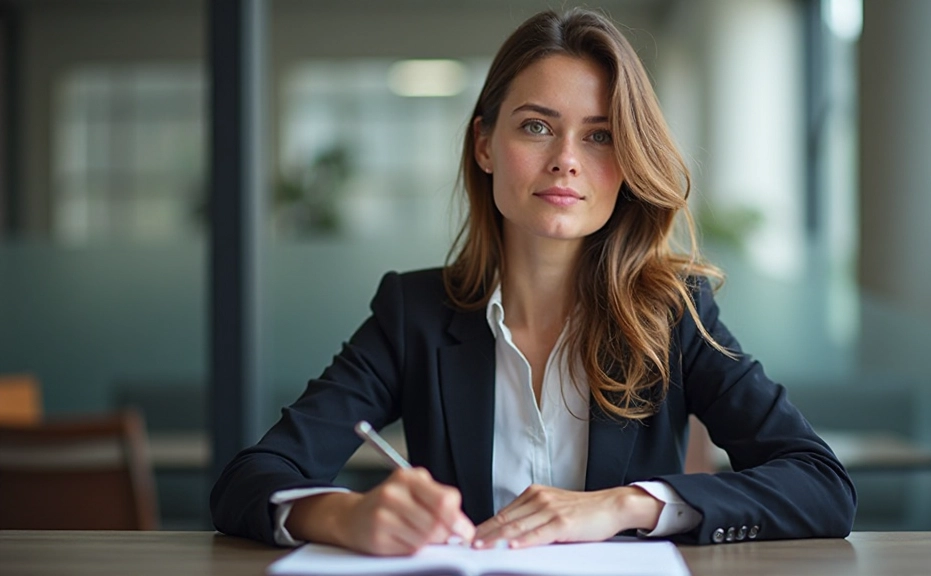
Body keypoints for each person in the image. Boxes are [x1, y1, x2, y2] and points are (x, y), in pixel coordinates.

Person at [210, 7, 856, 555]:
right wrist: (344, 515)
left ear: (628, 163)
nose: (566, 161)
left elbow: (821, 485)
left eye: (600, 136)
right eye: (537, 126)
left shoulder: (673, 314)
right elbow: (250, 479)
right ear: (486, 146)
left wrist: (622, 505)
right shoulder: (414, 314)